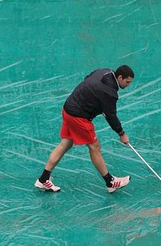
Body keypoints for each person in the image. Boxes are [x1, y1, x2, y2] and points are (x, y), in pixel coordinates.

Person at [35, 65, 134, 193]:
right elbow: (111, 116)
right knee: (95, 147)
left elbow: (87, 78)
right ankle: (110, 182)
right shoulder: (110, 93)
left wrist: (96, 103)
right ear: (120, 77)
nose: (128, 85)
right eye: (127, 82)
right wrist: (121, 133)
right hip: (78, 117)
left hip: (68, 108)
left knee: (65, 144)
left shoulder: (105, 71)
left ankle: (43, 179)